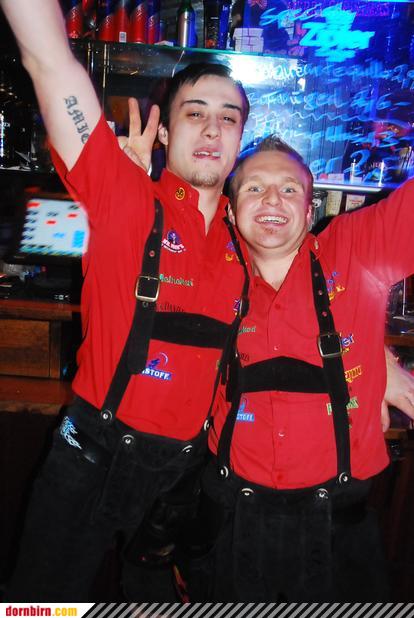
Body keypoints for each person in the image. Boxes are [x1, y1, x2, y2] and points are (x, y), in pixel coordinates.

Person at [0, 0, 251, 602]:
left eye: (229, 118)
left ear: (240, 137)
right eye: (195, 113)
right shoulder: (123, 197)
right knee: (44, 608)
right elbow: (49, 60)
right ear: (163, 129)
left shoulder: (254, 243)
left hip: (185, 475)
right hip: (91, 457)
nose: (212, 129)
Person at [184, 135, 414, 602]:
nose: (272, 199)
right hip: (231, 520)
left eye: (289, 189)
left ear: (309, 213)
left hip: (336, 530)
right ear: (231, 211)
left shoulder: (355, 249)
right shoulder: (208, 270)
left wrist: (376, 358)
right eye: (254, 188)